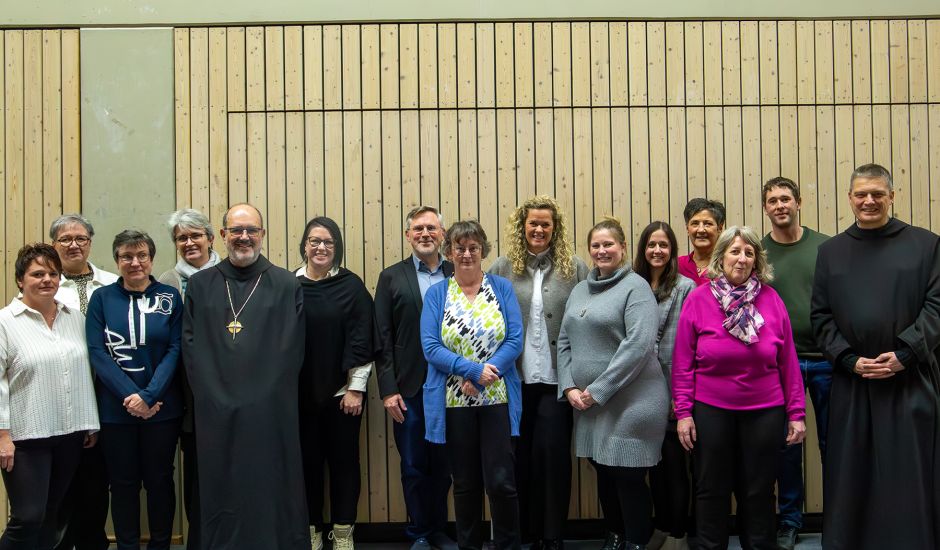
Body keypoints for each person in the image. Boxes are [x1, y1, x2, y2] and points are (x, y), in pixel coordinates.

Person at [811, 163, 940, 550]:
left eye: (877, 194)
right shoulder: (830, 252)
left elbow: (937, 307)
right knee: (854, 472)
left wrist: (906, 353)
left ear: (892, 196)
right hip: (855, 382)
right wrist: (849, 360)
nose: (869, 201)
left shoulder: (927, 245)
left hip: (910, 378)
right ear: (850, 199)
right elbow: (821, 316)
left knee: (909, 473)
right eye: (861, 194)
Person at [182, 203, 309, 550]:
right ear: (221, 236)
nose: (244, 237)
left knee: (267, 484)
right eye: (236, 231)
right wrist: (216, 396)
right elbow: (192, 350)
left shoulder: (285, 284)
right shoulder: (200, 284)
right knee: (219, 484)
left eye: (251, 230)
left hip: (268, 411)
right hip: (215, 412)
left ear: (262, 235)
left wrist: (256, 397)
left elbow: (291, 351)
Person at [672, 226, 806, 550]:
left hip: (765, 410)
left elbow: (788, 361)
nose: (742, 258)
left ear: (757, 261)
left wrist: (797, 413)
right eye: (735, 251)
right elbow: (682, 363)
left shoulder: (772, 300)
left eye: (749, 253)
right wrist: (683, 413)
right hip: (710, 409)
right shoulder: (698, 299)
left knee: (759, 491)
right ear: (721, 257)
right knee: (710, 489)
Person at [557, 217, 668, 550]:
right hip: (589, 402)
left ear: (622, 247)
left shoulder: (636, 288)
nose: (602, 250)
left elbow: (638, 345)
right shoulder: (579, 290)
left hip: (635, 399)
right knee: (604, 469)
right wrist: (569, 387)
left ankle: (637, 540)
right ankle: (615, 534)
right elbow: (563, 341)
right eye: (596, 245)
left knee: (628, 473)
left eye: (609, 244)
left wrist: (598, 391)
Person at [488, 196, 588, 550]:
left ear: (555, 228)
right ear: (522, 227)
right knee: (518, 458)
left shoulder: (573, 268)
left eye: (546, 224)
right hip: (513, 380)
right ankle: (523, 533)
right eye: (533, 223)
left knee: (553, 458)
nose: (539, 229)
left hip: (557, 380)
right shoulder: (502, 267)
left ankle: (551, 535)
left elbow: (587, 317)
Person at [420, 220, 524, 550]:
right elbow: (430, 346)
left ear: (483, 251)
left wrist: (482, 377)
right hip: (452, 402)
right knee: (464, 484)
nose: (466, 254)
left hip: (497, 397)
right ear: (449, 252)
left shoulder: (501, 288)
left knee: (501, 482)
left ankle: (507, 545)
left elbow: (514, 339)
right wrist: (471, 371)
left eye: (473, 248)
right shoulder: (438, 293)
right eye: (459, 248)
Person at [85, 230, 183, 550]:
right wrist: (133, 397)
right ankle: (127, 546)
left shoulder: (170, 296)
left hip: (162, 411)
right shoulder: (102, 298)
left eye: (141, 255)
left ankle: (160, 545)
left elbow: (175, 348)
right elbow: (97, 352)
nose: (135, 262)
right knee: (123, 484)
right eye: (126, 256)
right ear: (117, 261)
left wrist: (150, 396)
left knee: (159, 482)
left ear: (152, 259)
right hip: (116, 412)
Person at [0, 244, 99, 550]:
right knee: (28, 516)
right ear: (20, 280)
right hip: (26, 437)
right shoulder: (5, 321)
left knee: (53, 515)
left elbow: (85, 371)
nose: (47, 280)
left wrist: (90, 423)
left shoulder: (75, 318)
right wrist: (3, 435)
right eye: (37, 273)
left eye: (53, 274)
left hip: (70, 433)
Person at [374, 206, 457, 550]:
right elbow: (382, 336)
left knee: (445, 465)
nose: (425, 234)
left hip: (453, 388)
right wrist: (388, 389)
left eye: (431, 228)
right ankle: (419, 532)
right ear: (408, 236)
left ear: (442, 234)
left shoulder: (460, 272)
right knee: (413, 465)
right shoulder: (391, 277)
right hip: (408, 389)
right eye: (418, 229)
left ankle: (439, 528)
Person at [759, 178, 831, 550]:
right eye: (772, 200)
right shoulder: (757, 252)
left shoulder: (826, 247)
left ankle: (838, 519)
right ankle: (789, 521)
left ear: (799, 202)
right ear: (766, 208)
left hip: (827, 362)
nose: (780, 205)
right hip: (778, 366)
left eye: (786, 198)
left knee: (833, 444)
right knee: (787, 448)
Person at [295, 216, 374, 550]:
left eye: (327, 242)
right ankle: (311, 530)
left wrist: (355, 387)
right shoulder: (288, 285)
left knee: (344, 465)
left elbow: (363, 338)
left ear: (337, 247)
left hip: (344, 396)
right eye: (314, 241)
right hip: (299, 396)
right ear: (304, 246)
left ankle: (343, 532)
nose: (320, 247)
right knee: (306, 466)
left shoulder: (351, 286)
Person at [49, 214, 116, 550]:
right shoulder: (46, 285)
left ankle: (93, 543)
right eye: (65, 239)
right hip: (62, 397)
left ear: (90, 241)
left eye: (81, 238)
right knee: (61, 485)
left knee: (96, 482)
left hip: (106, 396)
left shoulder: (111, 281)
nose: (74, 245)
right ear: (53, 245)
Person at [157, 208, 220, 550]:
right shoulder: (166, 282)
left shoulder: (233, 274)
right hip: (186, 391)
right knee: (194, 471)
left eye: (196, 235)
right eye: (182, 237)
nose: (189, 242)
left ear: (211, 238)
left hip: (228, 387)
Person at [632, 221, 696, 550]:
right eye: (651, 245)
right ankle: (660, 525)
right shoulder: (632, 285)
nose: (657, 251)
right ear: (643, 250)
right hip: (639, 387)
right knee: (652, 464)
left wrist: (681, 394)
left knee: (674, 465)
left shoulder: (685, 288)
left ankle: (678, 532)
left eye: (664, 245)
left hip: (672, 386)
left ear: (672, 250)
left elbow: (689, 345)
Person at [677, 199, 725, 286]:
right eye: (695, 223)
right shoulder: (676, 265)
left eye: (708, 224)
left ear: (720, 228)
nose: (701, 230)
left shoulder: (728, 265)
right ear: (687, 229)